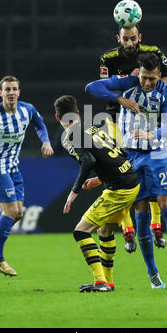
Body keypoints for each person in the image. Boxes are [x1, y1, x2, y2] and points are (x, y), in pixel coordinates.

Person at [86, 52, 167, 287]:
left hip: (158, 154)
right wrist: (120, 100)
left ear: (159, 75)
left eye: (152, 78)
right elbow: (91, 87)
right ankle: (153, 274)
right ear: (138, 73)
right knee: (140, 210)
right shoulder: (127, 84)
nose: (147, 83)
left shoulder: (166, 92)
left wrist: (153, 133)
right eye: (143, 77)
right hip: (131, 155)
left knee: (166, 204)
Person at [0, 75, 54, 276]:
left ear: (19, 92)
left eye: (14, 89)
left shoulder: (27, 109)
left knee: (19, 214)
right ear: (1, 93)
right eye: (7, 90)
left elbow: (40, 124)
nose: (11, 93)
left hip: (14, 167)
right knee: (11, 212)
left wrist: (46, 141)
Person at [99, 25, 167, 253]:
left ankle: (156, 226)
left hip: (150, 118)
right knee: (122, 177)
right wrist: (124, 91)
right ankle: (128, 230)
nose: (129, 43)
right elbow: (102, 90)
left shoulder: (153, 53)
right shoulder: (107, 58)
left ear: (140, 37)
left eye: (133, 39)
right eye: (125, 39)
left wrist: (145, 82)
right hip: (116, 121)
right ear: (118, 38)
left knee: (152, 175)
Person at [54, 95, 140, 292]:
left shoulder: (70, 136)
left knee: (81, 231)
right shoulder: (91, 127)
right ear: (77, 113)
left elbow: (89, 161)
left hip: (119, 189)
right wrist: (99, 179)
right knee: (105, 231)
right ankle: (107, 282)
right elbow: (119, 153)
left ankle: (100, 282)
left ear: (58, 118)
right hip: (130, 180)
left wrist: (73, 192)